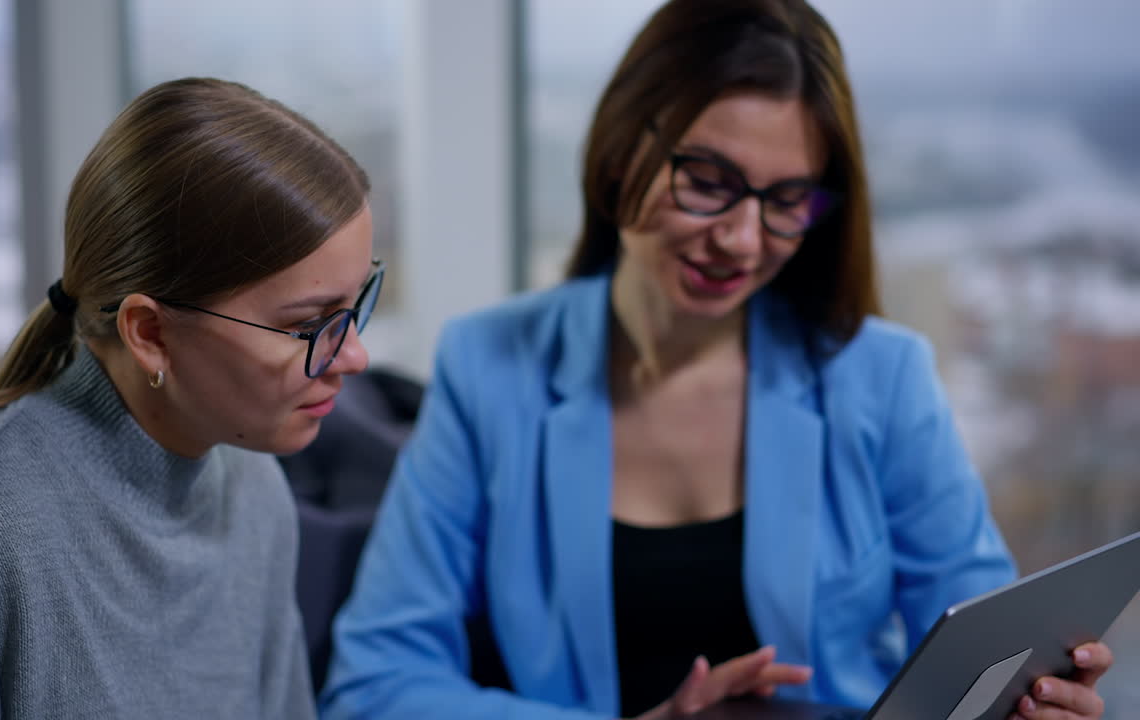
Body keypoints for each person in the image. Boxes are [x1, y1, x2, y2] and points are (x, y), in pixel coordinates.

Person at [319, 2, 1113, 719]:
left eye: (785, 201)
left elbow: (981, 661)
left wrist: (1032, 700)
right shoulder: (489, 367)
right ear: (624, 152)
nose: (740, 239)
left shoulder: (882, 377)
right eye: (708, 181)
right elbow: (376, 683)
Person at [0, 77, 382, 719]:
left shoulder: (254, 489)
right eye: (310, 325)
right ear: (151, 334)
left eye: (356, 306)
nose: (354, 356)